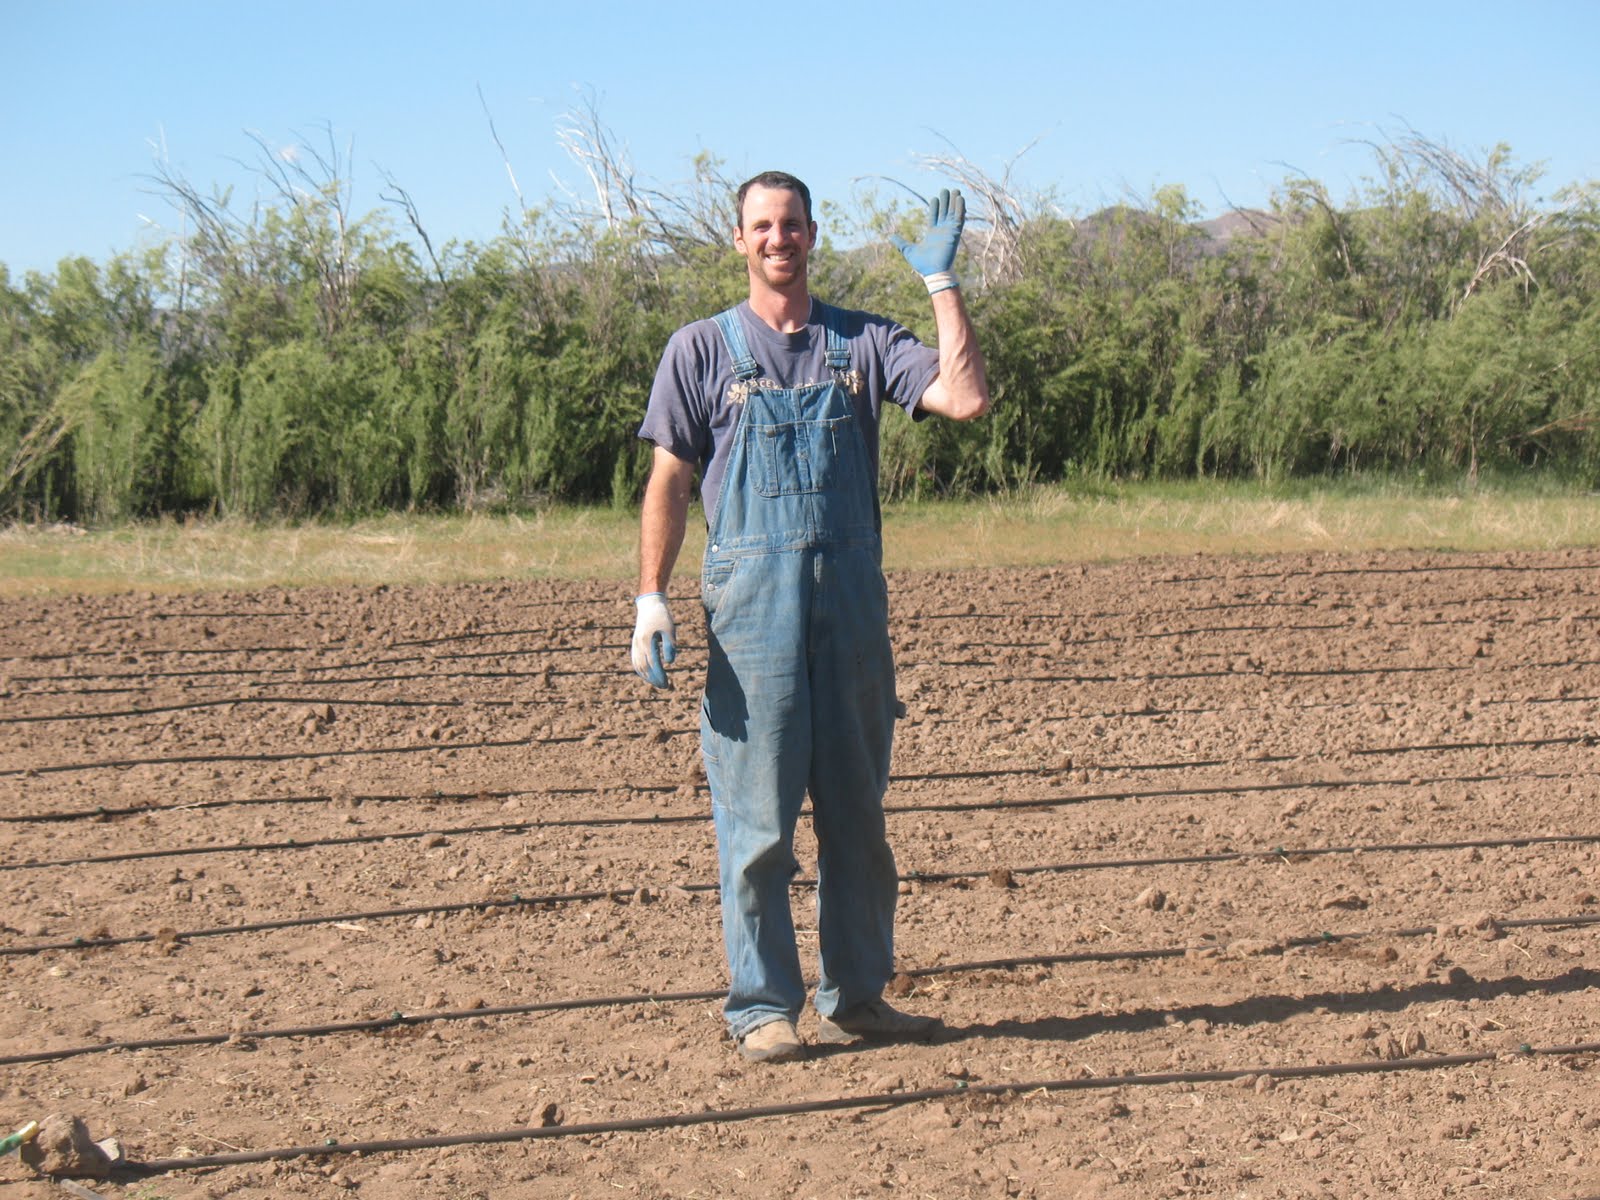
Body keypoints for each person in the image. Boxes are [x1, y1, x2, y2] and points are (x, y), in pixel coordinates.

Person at [630, 170, 989, 1062]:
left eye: (791, 224)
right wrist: (650, 596)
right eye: (762, 225)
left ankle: (859, 996)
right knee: (757, 829)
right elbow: (669, 482)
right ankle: (762, 1006)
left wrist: (942, 286)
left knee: (858, 824)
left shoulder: (864, 342)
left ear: (813, 234)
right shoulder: (701, 351)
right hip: (755, 630)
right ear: (740, 238)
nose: (778, 238)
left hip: (852, 622)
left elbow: (965, 397)